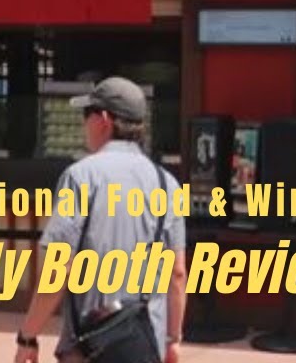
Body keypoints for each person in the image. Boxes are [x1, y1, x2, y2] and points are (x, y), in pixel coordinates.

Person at [14, 77, 188, 363]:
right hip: (146, 343)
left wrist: (28, 337)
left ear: (104, 120)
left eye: (87, 115)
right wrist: (173, 339)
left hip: (89, 345)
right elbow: (177, 273)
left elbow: (58, 269)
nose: (84, 125)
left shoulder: (81, 177)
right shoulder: (166, 183)